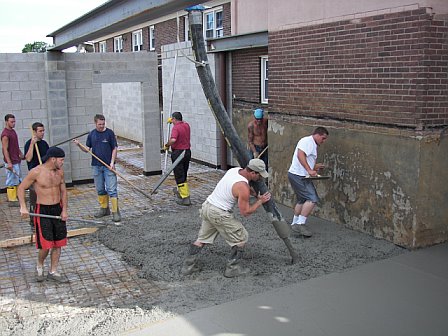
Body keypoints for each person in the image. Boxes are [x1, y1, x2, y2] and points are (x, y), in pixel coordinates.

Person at [181, 158, 271, 278]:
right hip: (219, 213)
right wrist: (259, 201)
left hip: (208, 207)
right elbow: (245, 212)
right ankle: (233, 269)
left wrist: (254, 194)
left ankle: (188, 267)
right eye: (259, 175)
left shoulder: (235, 171)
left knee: (202, 239)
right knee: (241, 237)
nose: (260, 179)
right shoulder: (242, 187)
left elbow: (241, 187)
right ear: (253, 173)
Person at [17, 146, 69, 283]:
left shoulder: (60, 172)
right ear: (53, 159)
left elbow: (63, 191)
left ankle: (53, 271)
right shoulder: (36, 172)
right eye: (61, 160)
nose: (63, 162)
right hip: (43, 211)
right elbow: (21, 188)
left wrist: (64, 210)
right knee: (46, 245)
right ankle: (40, 266)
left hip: (57, 208)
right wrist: (23, 206)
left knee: (58, 243)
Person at [73, 114, 121, 222]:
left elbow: (114, 148)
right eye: (99, 124)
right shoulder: (92, 135)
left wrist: (112, 162)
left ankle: (115, 211)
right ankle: (104, 209)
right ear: (95, 123)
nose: (101, 126)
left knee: (112, 189)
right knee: (100, 189)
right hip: (96, 166)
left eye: (103, 124)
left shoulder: (109, 133)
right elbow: (87, 150)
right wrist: (79, 145)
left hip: (108, 166)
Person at [288, 127, 329, 237]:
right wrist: (309, 170)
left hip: (297, 174)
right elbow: (300, 155)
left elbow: (302, 159)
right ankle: (301, 224)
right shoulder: (307, 141)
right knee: (312, 198)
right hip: (299, 175)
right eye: (323, 138)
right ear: (317, 134)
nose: (323, 141)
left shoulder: (310, 143)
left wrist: (314, 167)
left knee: (302, 199)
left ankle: (294, 223)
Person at [164, 111, 192, 206]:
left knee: (179, 175)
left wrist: (167, 145)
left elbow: (173, 140)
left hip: (178, 153)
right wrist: (172, 121)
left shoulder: (176, 128)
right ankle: (180, 192)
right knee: (183, 173)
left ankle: (185, 198)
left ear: (174, 119)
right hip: (187, 152)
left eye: (172, 119)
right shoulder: (186, 125)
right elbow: (182, 122)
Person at [24, 122, 49, 224]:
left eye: (43, 131)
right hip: (34, 176)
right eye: (40, 131)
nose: (42, 133)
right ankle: (33, 219)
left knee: (45, 196)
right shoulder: (28, 143)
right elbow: (28, 158)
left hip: (44, 173)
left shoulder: (44, 144)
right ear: (34, 132)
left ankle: (45, 217)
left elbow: (48, 159)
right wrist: (32, 145)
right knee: (34, 198)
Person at [1, 114, 24, 206]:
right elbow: (4, 149)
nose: (13, 123)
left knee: (18, 178)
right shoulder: (5, 134)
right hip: (11, 161)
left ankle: (18, 196)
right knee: (11, 180)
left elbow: (15, 145)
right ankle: (12, 199)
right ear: (6, 122)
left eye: (14, 121)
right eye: (11, 122)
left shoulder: (13, 132)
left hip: (16, 159)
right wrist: (9, 162)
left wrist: (20, 153)